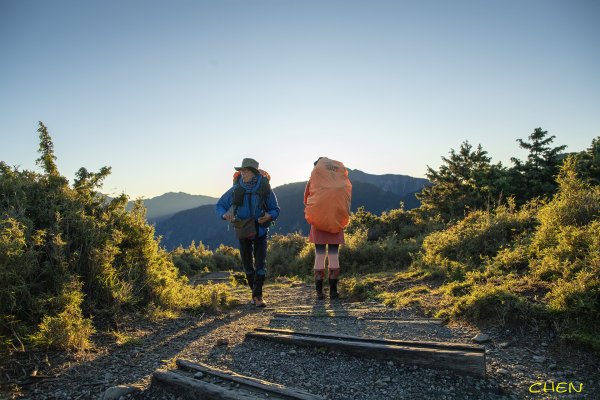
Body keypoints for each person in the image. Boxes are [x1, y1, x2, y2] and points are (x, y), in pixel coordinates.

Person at [216, 158, 280, 307]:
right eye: (241, 171)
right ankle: (255, 294)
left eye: (244, 170)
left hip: (260, 229)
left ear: (253, 172)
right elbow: (220, 205)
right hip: (242, 228)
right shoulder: (236, 189)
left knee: (260, 263)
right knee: (247, 264)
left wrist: (270, 216)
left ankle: (258, 297)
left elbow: (275, 209)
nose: (241, 173)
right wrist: (224, 215)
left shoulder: (265, 189)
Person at [304, 157, 352, 300]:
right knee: (333, 254)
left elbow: (306, 200)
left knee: (319, 254)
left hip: (318, 222)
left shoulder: (313, 181)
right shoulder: (339, 182)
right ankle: (333, 291)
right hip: (336, 220)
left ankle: (319, 292)